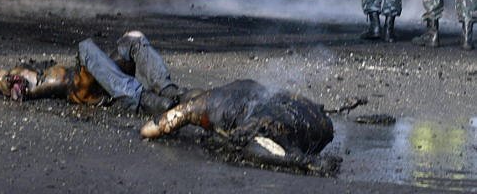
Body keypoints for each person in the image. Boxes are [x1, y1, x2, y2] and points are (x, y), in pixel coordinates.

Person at [140, 79, 340, 175]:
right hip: (319, 123)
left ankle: (301, 161)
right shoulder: (239, 86)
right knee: (262, 127)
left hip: (281, 127)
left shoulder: (200, 104)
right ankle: (299, 155)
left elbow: (153, 128)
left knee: (244, 144)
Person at [0, 31, 184, 114]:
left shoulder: (13, 70)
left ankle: (168, 90)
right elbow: (15, 87)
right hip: (78, 87)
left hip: (88, 78)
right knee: (86, 47)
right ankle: (142, 98)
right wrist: (16, 85)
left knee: (133, 39)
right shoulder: (5, 82)